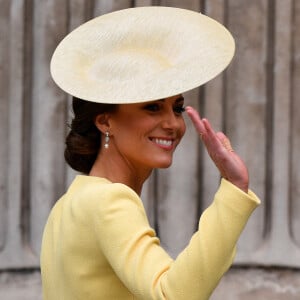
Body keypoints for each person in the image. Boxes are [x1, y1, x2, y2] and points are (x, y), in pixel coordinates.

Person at [40, 6, 260, 300]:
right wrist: (234, 190)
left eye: (177, 108)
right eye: (152, 107)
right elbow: (173, 295)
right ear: (105, 120)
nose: (172, 124)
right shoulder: (109, 201)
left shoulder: (68, 205)